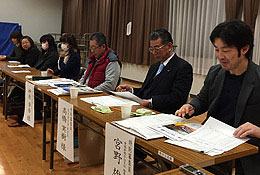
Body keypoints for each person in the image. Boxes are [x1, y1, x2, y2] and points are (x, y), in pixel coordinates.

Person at [176, 20, 260, 175]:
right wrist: (191, 106)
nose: (220, 56)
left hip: (244, 151)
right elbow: (203, 99)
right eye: (216, 50)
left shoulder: (258, 78)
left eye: (226, 50)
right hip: (211, 140)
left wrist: (258, 130)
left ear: (245, 49)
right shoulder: (216, 72)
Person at [117, 29, 193, 114]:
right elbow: (146, 91)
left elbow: (177, 98)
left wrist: (151, 102)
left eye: (157, 48)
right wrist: (131, 90)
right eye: (151, 49)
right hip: (145, 110)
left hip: (164, 113)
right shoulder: (155, 66)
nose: (154, 52)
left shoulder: (183, 67)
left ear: (169, 46)